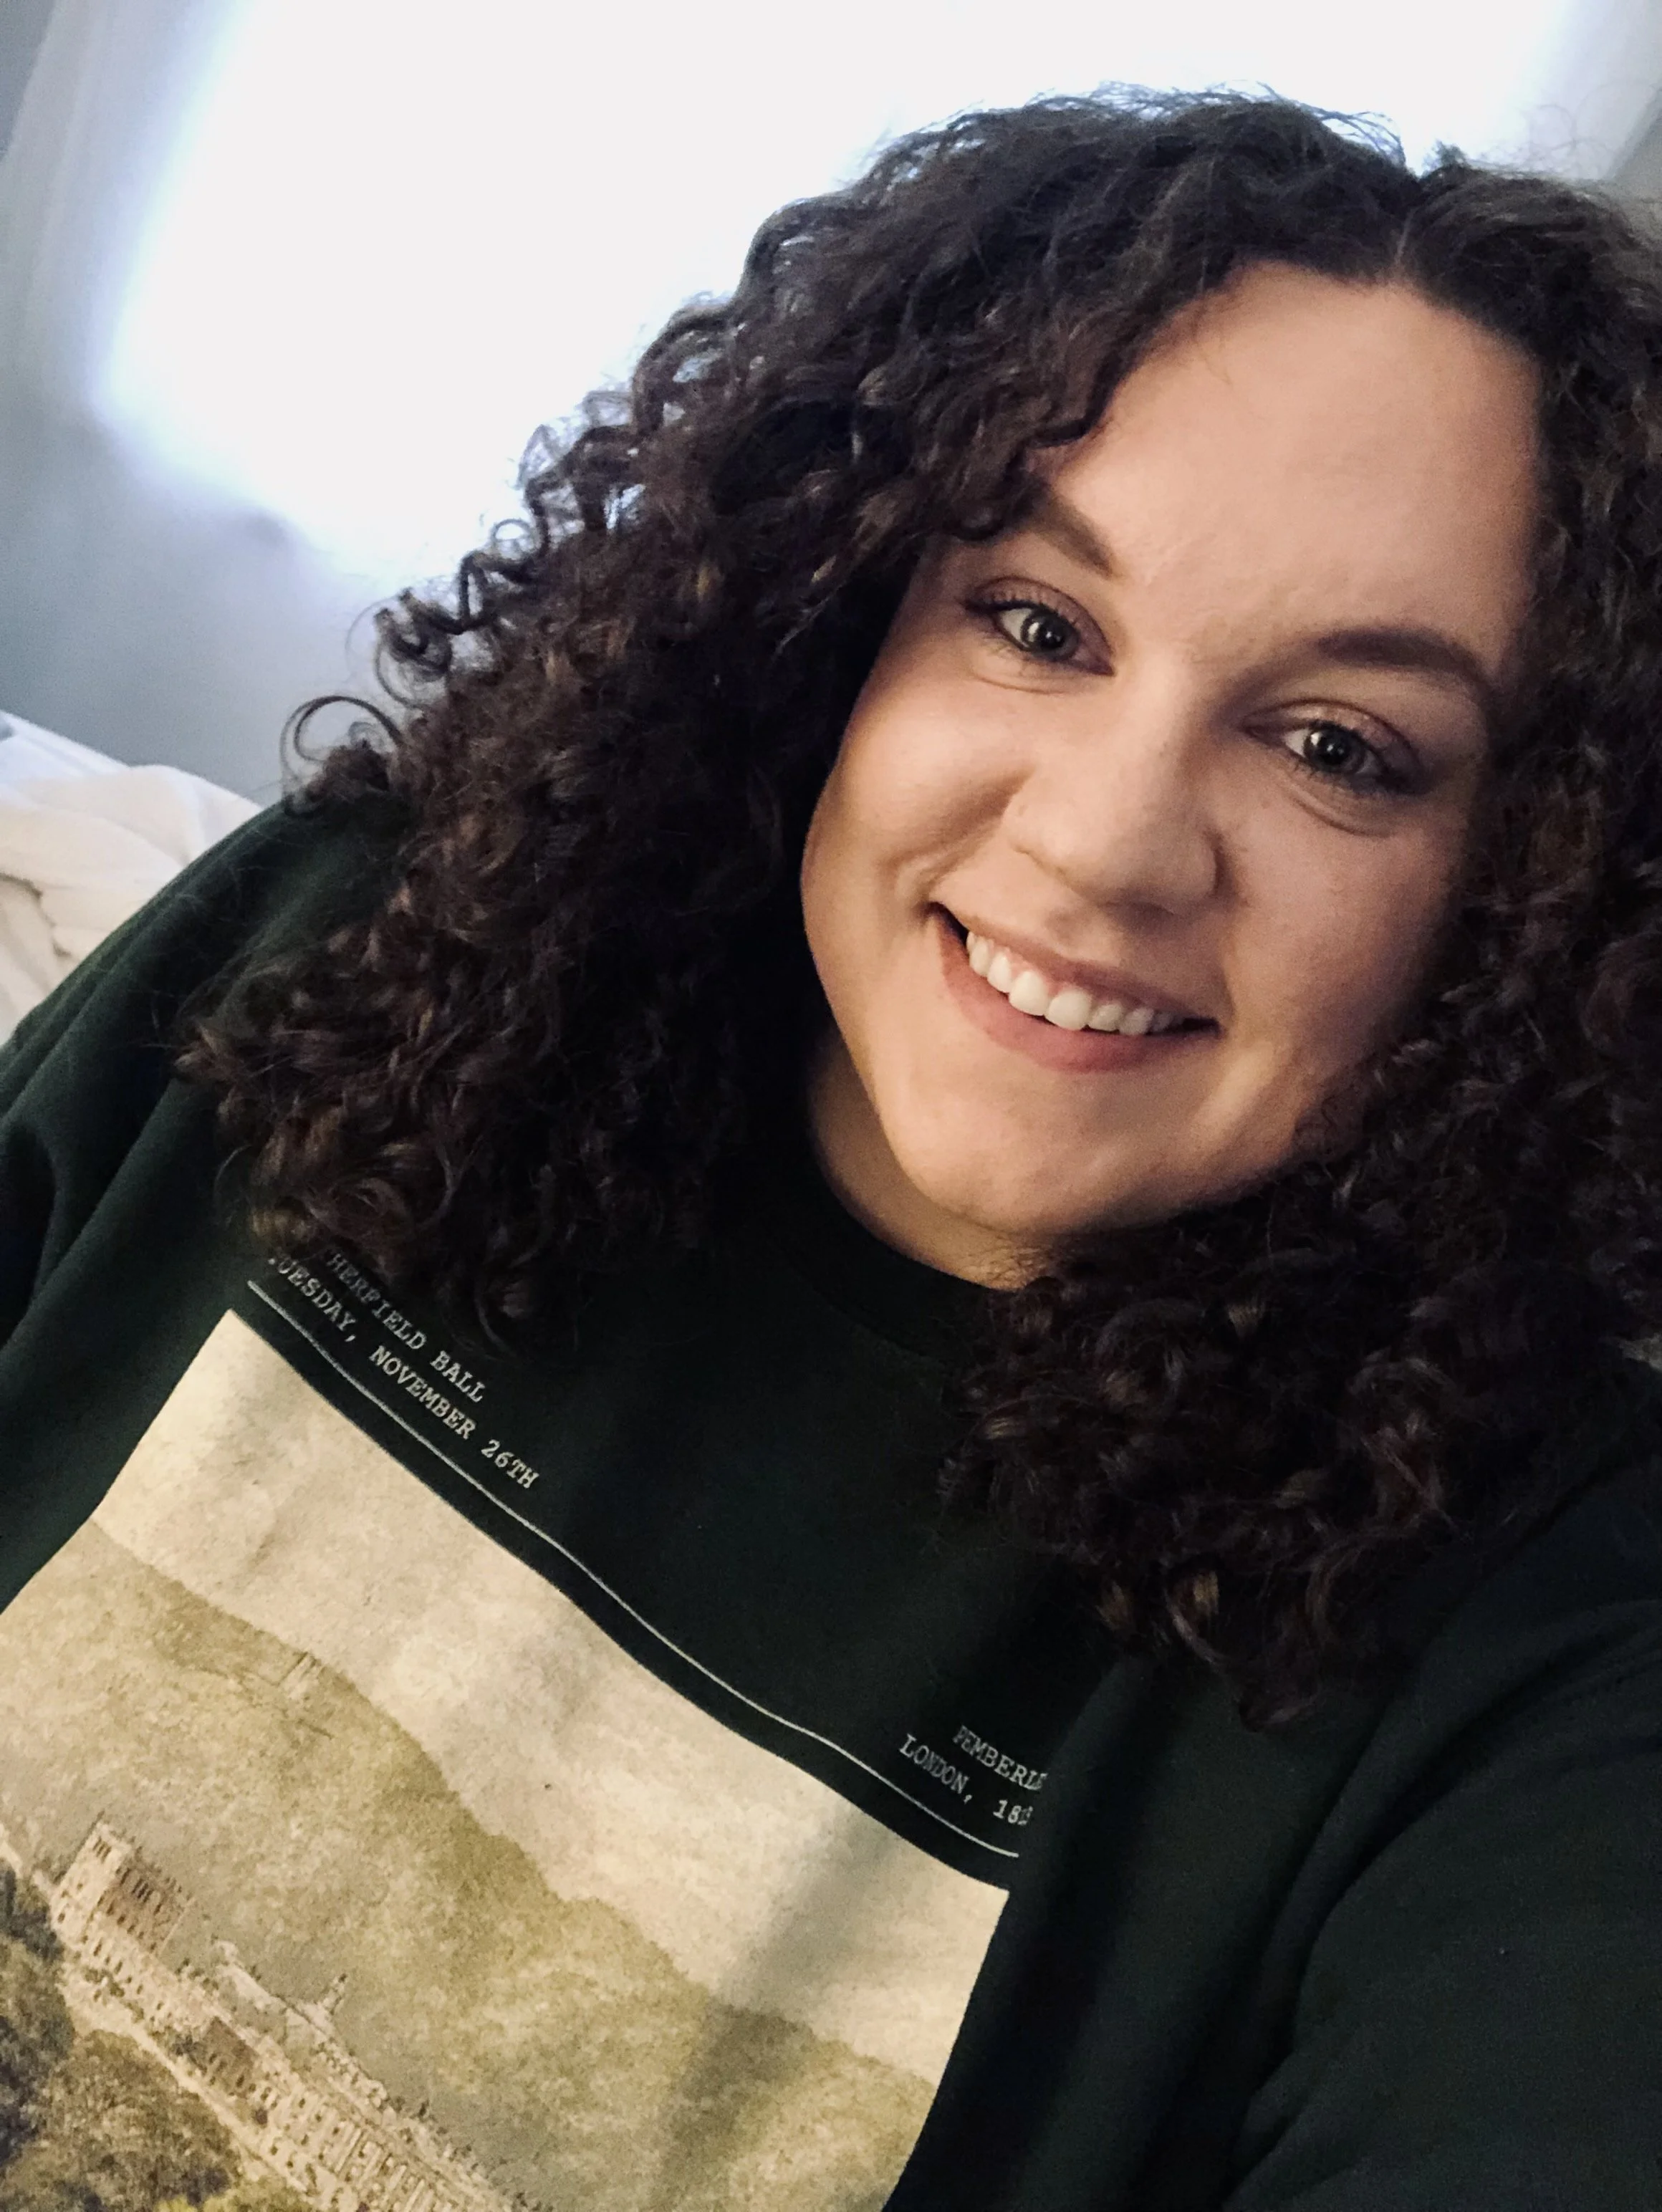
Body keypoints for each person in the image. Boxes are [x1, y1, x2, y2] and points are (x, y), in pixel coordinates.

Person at [2, 84, 1661, 2211]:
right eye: (1037, 624)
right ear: (827, 613)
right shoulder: (358, 958)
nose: (1105, 844)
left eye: (1340, 748)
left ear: (1541, 891)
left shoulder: (1544, 1639)